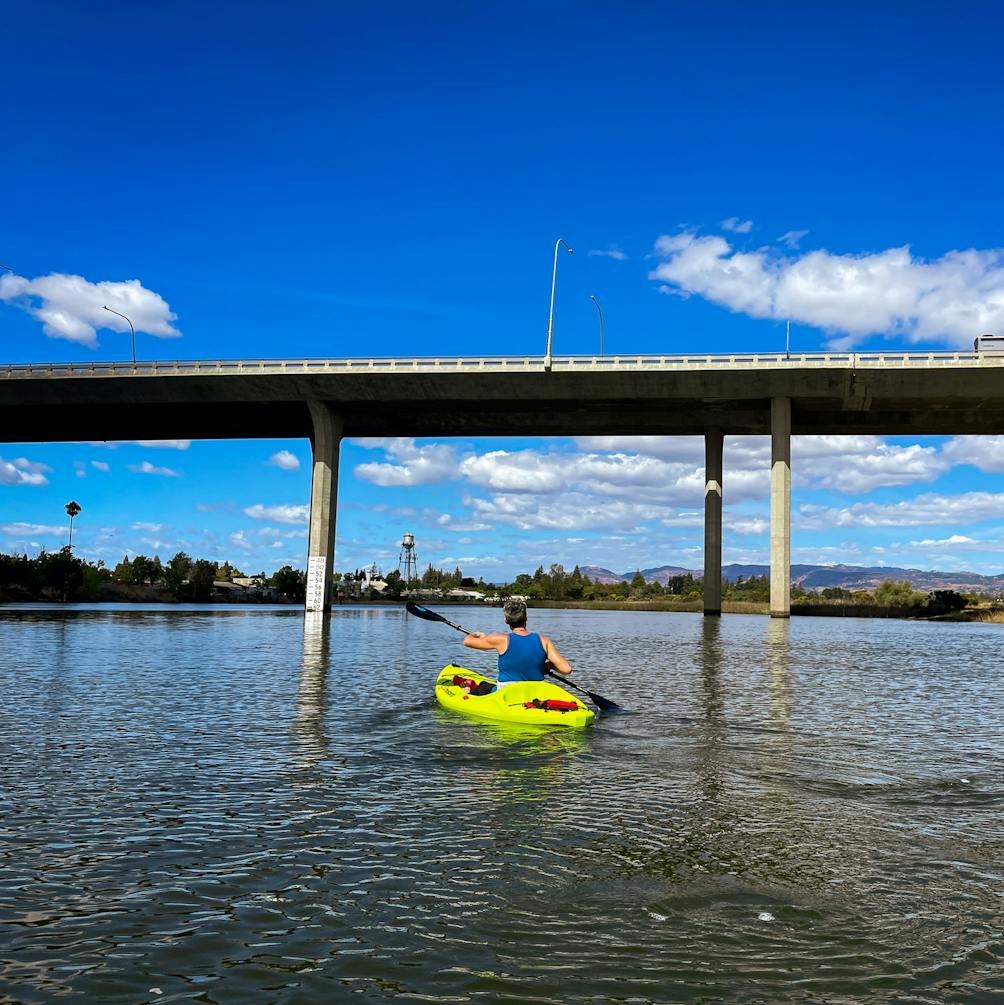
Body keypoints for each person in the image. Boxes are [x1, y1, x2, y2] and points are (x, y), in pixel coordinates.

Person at [463, 598, 572, 688]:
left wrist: (476, 635)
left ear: (506, 620)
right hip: (535, 692)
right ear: (526, 619)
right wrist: (547, 666)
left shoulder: (500, 639)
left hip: (507, 693)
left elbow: (467, 642)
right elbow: (566, 669)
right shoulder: (544, 640)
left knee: (482, 687)